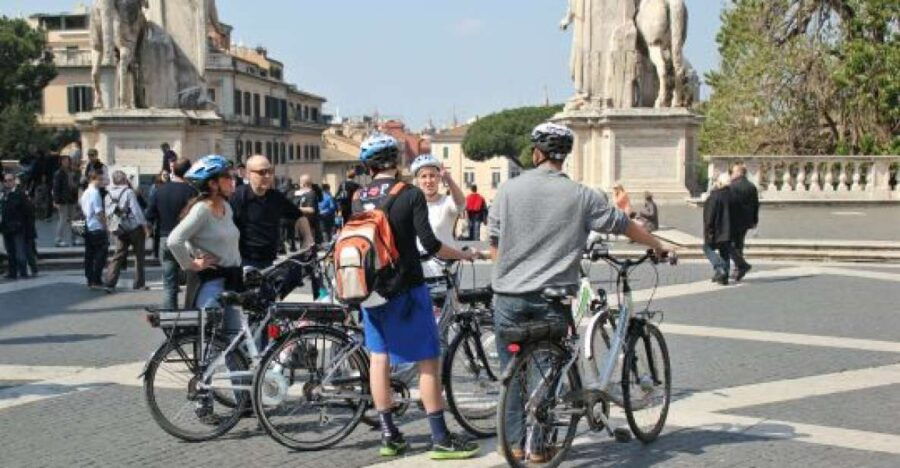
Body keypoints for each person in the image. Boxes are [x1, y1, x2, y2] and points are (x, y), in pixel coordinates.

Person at [489, 122, 668, 463]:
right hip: (550, 299)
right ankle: (539, 447)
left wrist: (508, 275)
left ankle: (511, 444)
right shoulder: (582, 195)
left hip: (508, 298)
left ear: (535, 153)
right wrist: (656, 244)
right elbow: (623, 224)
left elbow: (494, 242)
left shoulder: (508, 190)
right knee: (546, 372)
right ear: (564, 157)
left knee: (512, 373)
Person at [353, 134, 480, 460]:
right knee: (428, 360)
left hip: (370, 291)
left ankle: (389, 434)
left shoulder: (358, 196)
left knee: (379, 360)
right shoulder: (409, 194)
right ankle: (440, 437)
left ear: (368, 165)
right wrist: (462, 255)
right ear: (395, 162)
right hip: (406, 287)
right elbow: (431, 243)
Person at [166, 156, 243, 424]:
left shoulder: (227, 207)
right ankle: (203, 404)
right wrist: (192, 263)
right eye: (227, 177)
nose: (233, 181)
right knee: (210, 347)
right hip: (211, 285)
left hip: (232, 281)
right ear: (212, 184)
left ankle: (244, 401)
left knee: (235, 343)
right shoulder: (201, 210)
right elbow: (174, 240)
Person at [231, 155, 313, 270]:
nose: (268, 176)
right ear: (249, 174)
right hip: (245, 261)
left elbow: (299, 216)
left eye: (270, 171)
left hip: (271, 261)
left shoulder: (275, 197)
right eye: (262, 172)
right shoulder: (238, 197)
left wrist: (307, 238)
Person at [145, 158, 196, 309]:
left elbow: (149, 215)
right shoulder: (192, 191)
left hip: (165, 238)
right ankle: (191, 310)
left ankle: (169, 313)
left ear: (173, 171)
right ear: (188, 173)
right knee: (193, 278)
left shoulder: (160, 190)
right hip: (187, 239)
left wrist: (150, 232)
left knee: (169, 281)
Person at [409, 153, 467, 279]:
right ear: (417, 181)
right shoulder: (411, 206)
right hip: (419, 271)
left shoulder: (447, 202)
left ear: (439, 179)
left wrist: (449, 180)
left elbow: (461, 205)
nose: (428, 181)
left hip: (446, 270)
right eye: (423, 176)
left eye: (432, 176)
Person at [103, 171, 149, 290]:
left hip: (119, 228)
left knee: (118, 255)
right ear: (124, 180)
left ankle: (110, 281)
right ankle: (139, 283)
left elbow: (108, 213)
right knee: (139, 256)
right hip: (134, 228)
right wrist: (144, 226)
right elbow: (136, 211)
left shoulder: (108, 195)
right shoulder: (128, 192)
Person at [703, 173, 750, 285]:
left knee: (707, 248)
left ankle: (720, 268)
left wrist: (708, 231)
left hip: (717, 230)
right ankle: (724, 276)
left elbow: (709, 216)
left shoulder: (714, 197)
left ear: (719, 183)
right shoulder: (735, 197)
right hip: (731, 231)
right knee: (725, 252)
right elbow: (741, 215)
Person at [79, 171, 109, 290]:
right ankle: (96, 278)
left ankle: (90, 278)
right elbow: (98, 212)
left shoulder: (85, 192)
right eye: (100, 179)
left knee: (89, 254)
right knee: (100, 254)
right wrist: (106, 226)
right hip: (96, 227)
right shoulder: (95, 193)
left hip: (88, 226)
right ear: (93, 179)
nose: (102, 182)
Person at [729, 163, 758, 277]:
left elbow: (729, 204)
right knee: (739, 243)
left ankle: (740, 265)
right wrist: (755, 220)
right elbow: (756, 205)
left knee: (728, 244)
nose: (732, 174)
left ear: (739, 173)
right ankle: (738, 268)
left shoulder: (732, 186)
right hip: (746, 220)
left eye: (733, 172)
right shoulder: (751, 186)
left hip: (733, 219)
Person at [1, 173, 29, 280]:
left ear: (14, 181)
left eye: (10, 180)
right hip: (6, 227)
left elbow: (26, 211)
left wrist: (21, 223)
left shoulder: (20, 194)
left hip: (17, 227)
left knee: (19, 252)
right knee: (10, 252)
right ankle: (12, 272)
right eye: (6, 181)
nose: (8, 182)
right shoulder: (3, 194)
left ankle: (23, 272)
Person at [52, 154, 80, 247]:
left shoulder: (72, 172)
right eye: (64, 160)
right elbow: (56, 188)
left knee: (75, 219)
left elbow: (76, 184)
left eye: (67, 160)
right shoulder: (59, 173)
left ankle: (76, 238)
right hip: (63, 199)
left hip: (72, 198)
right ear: (61, 162)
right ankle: (58, 239)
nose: (66, 162)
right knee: (63, 219)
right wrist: (56, 201)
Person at [294, 175, 322, 245]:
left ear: (303, 184)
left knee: (308, 250)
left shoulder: (311, 194)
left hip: (310, 227)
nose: (299, 185)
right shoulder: (304, 194)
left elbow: (311, 210)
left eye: (300, 183)